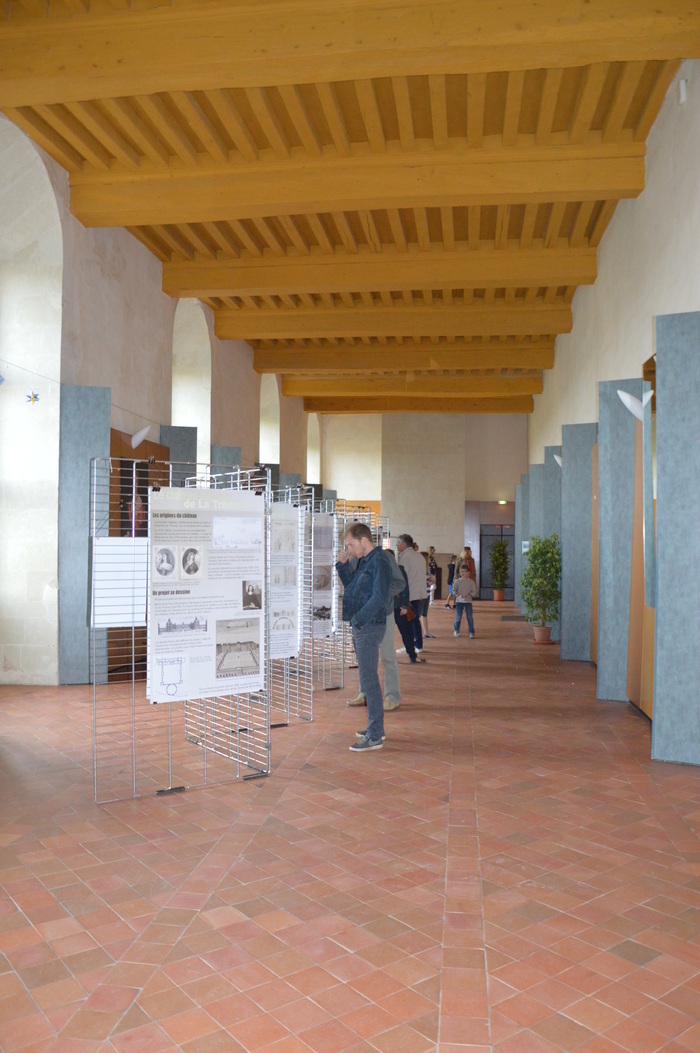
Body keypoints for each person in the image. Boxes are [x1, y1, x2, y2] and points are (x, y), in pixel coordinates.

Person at [336, 522, 393, 752]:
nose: (349, 549)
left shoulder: (379, 561)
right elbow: (352, 588)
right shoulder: (365, 561)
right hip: (363, 624)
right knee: (367, 680)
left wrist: (359, 619)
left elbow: (379, 597)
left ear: (364, 540)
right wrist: (342, 566)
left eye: (351, 544)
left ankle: (375, 734)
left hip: (368, 625)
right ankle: (376, 728)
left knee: (368, 680)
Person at [346, 551, 407, 711]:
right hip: (362, 616)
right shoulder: (355, 561)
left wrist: (378, 594)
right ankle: (364, 693)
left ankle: (392, 697)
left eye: (351, 543)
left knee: (387, 656)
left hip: (383, 614)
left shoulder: (384, 558)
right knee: (364, 657)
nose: (348, 547)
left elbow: (399, 583)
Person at [396, 534, 428, 656]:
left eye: (398, 542)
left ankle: (410, 645)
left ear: (404, 544)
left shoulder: (405, 558)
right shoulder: (419, 556)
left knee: (408, 621)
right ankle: (417, 645)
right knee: (414, 620)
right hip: (420, 593)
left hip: (410, 594)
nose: (397, 545)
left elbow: (401, 578)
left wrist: (400, 594)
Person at [453, 565, 478, 637]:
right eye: (461, 571)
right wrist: (456, 594)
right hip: (459, 602)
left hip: (468, 602)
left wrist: (468, 595)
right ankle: (456, 630)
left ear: (468, 573)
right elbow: (454, 591)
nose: (462, 573)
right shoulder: (457, 581)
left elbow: (474, 592)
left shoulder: (471, 582)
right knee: (458, 616)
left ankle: (471, 632)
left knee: (469, 617)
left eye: (464, 571)